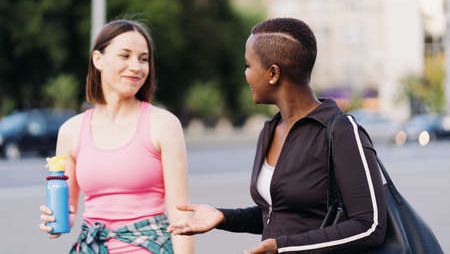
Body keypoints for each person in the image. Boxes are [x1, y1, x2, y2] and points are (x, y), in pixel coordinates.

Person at [168, 18, 387, 253]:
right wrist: (222, 217)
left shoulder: (341, 131)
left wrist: (282, 247)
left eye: (248, 65)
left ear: (273, 73)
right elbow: (277, 214)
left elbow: (370, 227)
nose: (246, 74)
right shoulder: (270, 130)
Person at [39, 19, 194, 254]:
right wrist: (57, 221)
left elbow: (180, 214)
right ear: (98, 59)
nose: (136, 66)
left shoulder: (164, 124)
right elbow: (67, 208)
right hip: (91, 247)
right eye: (125, 55)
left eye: (143, 59)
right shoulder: (71, 131)